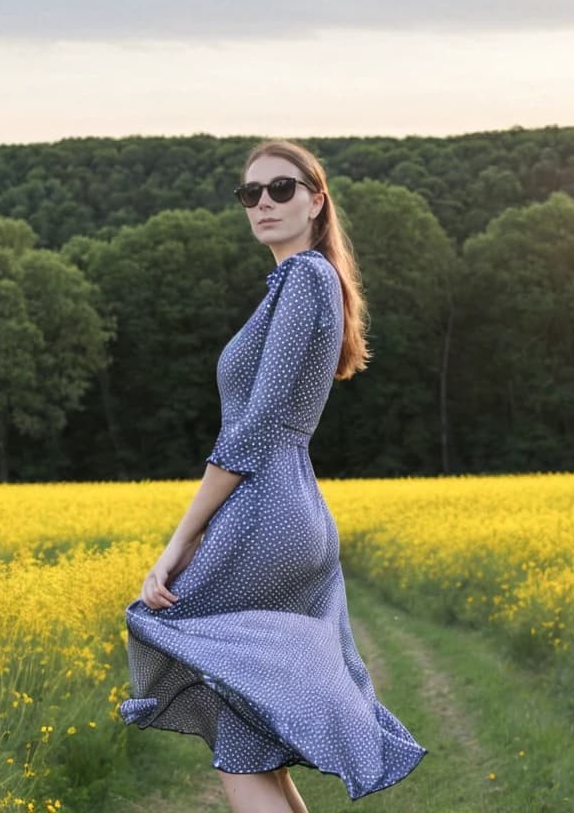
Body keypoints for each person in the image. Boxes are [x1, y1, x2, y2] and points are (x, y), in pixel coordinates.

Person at [119, 139, 426, 811]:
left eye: (280, 189)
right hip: (290, 508)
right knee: (247, 726)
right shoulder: (306, 282)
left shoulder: (303, 278)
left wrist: (181, 541)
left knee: (189, 654)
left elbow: (255, 429)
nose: (262, 203)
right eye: (249, 193)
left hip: (265, 512)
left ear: (317, 201)